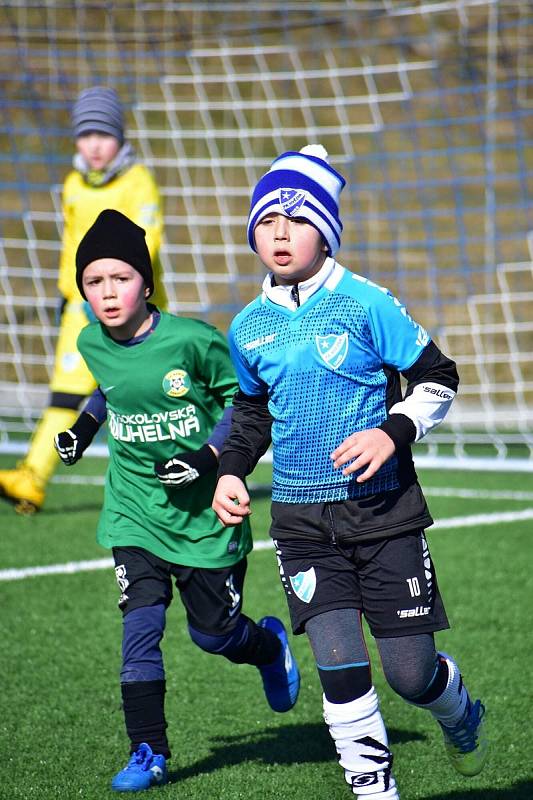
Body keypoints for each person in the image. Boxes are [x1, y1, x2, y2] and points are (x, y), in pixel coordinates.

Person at [212, 145, 488, 798]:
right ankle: (375, 791)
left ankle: (457, 708)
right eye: (267, 220)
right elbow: (249, 411)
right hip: (302, 524)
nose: (280, 233)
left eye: (298, 219)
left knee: (409, 674)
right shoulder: (247, 327)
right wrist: (229, 469)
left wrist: (392, 430)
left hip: (383, 514)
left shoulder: (365, 303)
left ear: (327, 230)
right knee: (339, 672)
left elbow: (437, 376)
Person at [53, 208, 300, 793]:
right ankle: (149, 750)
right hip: (133, 513)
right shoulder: (91, 339)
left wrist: (210, 460)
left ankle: (267, 646)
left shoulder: (194, 341)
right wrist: (81, 431)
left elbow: (245, 402)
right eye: (94, 282)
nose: (107, 292)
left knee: (213, 636)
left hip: (205, 520)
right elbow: (108, 389)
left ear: (145, 282)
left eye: (120, 278)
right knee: (139, 630)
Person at [0, 86, 167, 514]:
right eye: (85, 135)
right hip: (82, 307)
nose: (95, 145)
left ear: (120, 138)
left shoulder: (138, 182)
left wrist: (123, 292)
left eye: (104, 135)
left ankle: (182, 472)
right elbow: (70, 245)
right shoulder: (74, 184)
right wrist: (65, 294)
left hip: (137, 312)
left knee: (152, 395)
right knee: (65, 394)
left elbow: (149, 245)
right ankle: (32, 478)